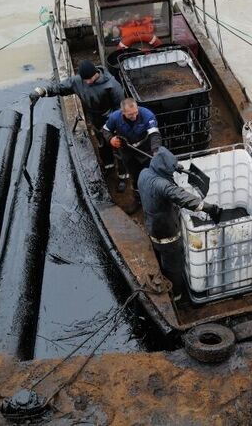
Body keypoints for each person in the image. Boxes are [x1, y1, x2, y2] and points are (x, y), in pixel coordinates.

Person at [138, 147, 221, 299]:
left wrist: (175, 166)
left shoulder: (144, 173)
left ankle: (162, 267)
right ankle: (177, 295)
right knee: (174, 264)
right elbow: (182, 197)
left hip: (151, 226)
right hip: (166, 232)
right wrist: (207, 207)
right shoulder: (162, 186)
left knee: (161, 254)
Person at [29, 60, 126, 190]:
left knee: (118, 148)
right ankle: (108, 166)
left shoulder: (112, 85)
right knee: (102, 144)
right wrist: (42, 91)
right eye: (85, 79)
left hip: (111, 120)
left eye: (90, 79)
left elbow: (120, 107)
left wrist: (113, 124)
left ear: (96, 73)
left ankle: (123, 176)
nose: (87, 82)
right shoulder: (78, 81)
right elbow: (60, 87)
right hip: (95, 119)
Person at [102, 98, 161, 195]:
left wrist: (156, 151)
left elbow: (154, 134)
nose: (134, 116)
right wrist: (110, 139)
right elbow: (106, 130)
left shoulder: (147, 115)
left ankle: (150, 188)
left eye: (135, 112)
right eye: (130, 114)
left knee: (147, 169)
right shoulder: (115, 117)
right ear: (123, 112)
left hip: (144, 149)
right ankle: (135, 189)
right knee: (131, 170)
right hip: (126, 149)